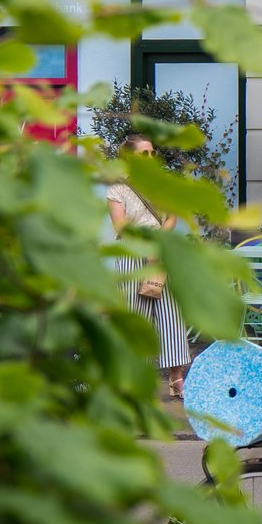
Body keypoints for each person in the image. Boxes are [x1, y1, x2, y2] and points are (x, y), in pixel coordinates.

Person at [107, 133, 191, 398]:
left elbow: (171, 218)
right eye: (145, 153)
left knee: (172, 316)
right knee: (136, 318)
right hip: (132, 257)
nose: (151, 157)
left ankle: (176, 379)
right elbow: (120, 226)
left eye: (153, 152)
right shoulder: (117, 188)